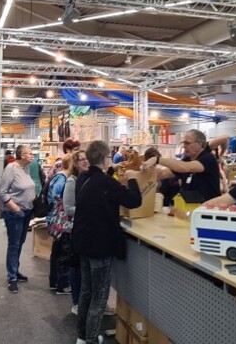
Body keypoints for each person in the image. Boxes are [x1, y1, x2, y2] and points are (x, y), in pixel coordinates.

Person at [73, 141, 142, 344]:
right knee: (99, 296)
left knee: (86, 291)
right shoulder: (106, 183)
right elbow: (134, 201)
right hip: (100, 245)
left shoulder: (83, 178)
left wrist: (112, 171)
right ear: (104, 158)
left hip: (83, 242)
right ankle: (92, 338)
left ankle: (82, 336)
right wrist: (133, 179)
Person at [0, 144, 36, 294]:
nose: (32, 155)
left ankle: (15, 271)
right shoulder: (11, 169)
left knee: (19, 243)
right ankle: (12, 277)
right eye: (29, 153)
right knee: (14, 244)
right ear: (21, 155)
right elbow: (2, 192)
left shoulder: (26, 168)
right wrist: (15, 208)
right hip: (15, 213)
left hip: (26, 211)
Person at [146, 129, 221, 204]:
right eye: (183, 143)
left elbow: (186, 167)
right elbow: (163, 174)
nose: (184, 146)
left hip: (207, 209)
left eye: (187, 143)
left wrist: (158, 159)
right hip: (189, 207)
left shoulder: (208, 159)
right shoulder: (187, 159)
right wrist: (145, 170)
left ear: (200, 144)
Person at [62, 150, 89, 315]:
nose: (85, 162)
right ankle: (76, 302)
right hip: (75, 228)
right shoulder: (71, 181)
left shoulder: (89, 179)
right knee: (77, 266)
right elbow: (68, 208)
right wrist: (88, 210)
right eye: (82, 160)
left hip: (87, 228)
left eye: (87, 159)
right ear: (75, 163)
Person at [47, 153, 73, 296]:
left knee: (57, 251)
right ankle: (61, 284)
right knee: (62, 251)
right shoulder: (63, 179)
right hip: (61, 220)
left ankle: (54, 281)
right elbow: (57, 197)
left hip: (57, 219)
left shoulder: (60, 177)